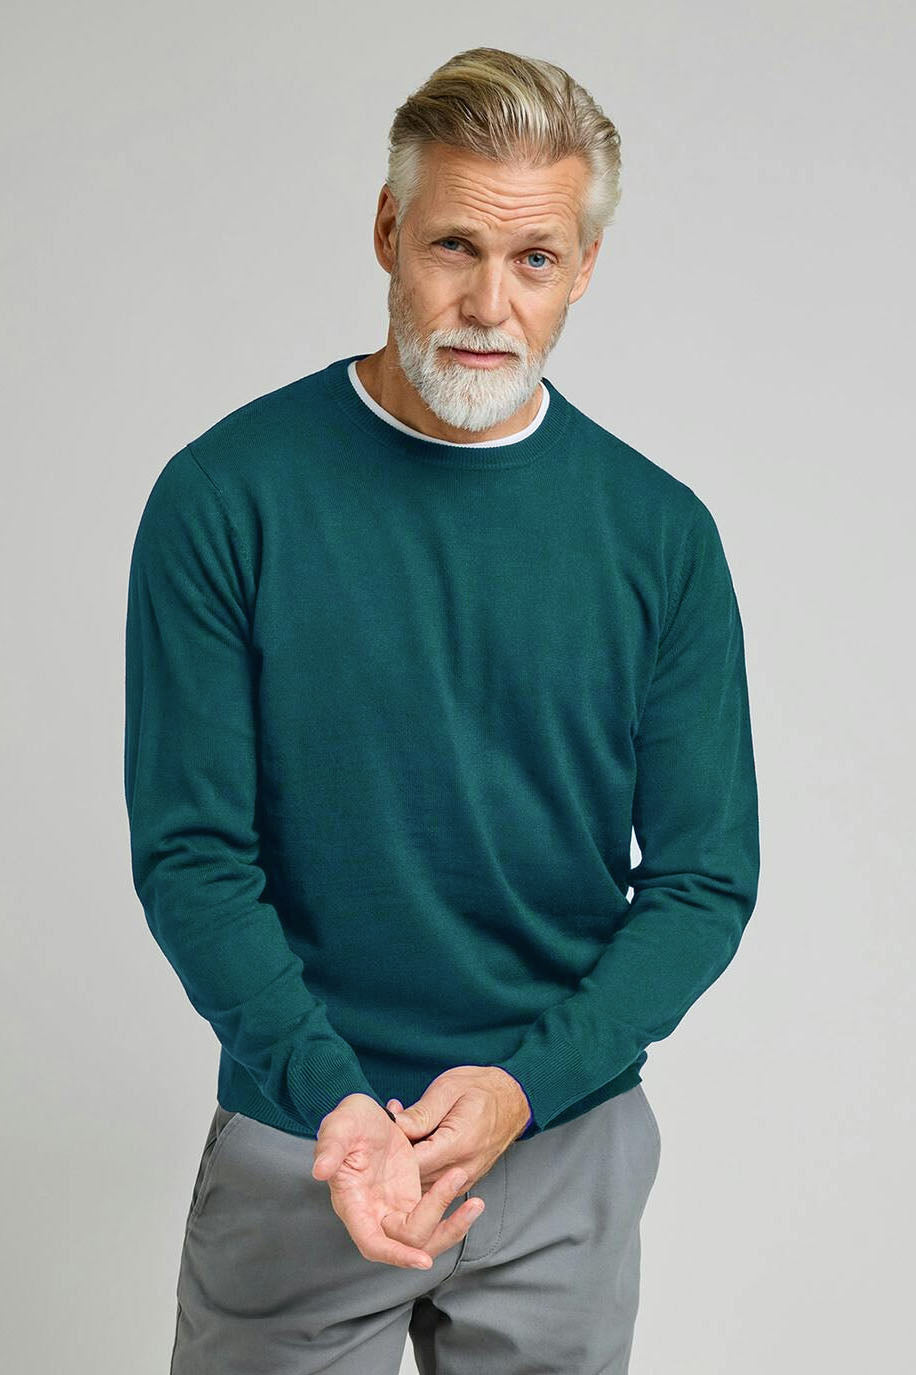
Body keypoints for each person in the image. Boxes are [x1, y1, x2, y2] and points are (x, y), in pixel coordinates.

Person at [124, 44, 759, 1375]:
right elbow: (193, 856)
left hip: (564, 1140)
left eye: (534, 260)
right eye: (453, 245)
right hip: (308, 1139)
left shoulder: (660, 537)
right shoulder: (227, 498)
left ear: (584, 268)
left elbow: (704, 881)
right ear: (386, 231)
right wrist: (330, 1096)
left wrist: (531, 1087)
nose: (487, 301)